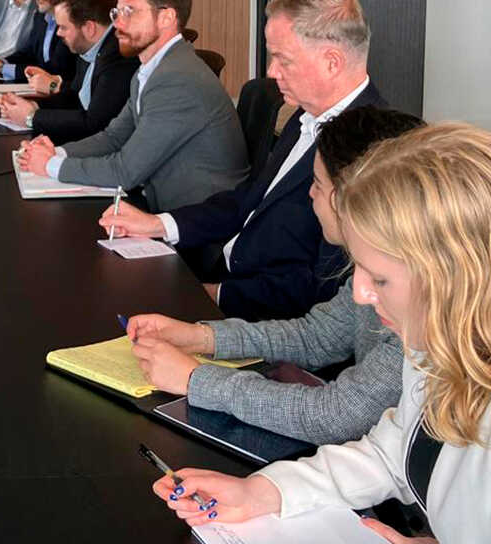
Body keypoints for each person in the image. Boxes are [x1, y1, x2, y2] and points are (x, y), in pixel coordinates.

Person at [151, 123, 491, 544]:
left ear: (458, 278)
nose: (360, 294)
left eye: (380, 279)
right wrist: (263, 492)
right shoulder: (433, 345)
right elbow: (390, 454)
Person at [126, 107, 422, 445]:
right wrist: (202, 338)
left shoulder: (416, 310)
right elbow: (318, 336)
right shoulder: (384, 264)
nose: (310, 194)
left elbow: (338, 416)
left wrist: (196, 379)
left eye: (316, 184)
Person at [100, 0, 386, 320]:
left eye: (283, 59)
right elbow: (249, 200)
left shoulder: (372, 148)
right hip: (224, 273)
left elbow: (323, 288)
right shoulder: (307, 114)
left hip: (262, 314)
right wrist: (158, 224)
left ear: (332, 63)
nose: (271, 72)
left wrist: (214, 295)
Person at [17, 0, 248, 211]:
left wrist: (50, 165)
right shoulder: (149, 69)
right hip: (159, 202)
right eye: (117, 13)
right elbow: (113, 137)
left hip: (194, 217)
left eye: (129, 12)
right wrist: (57, 152)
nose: (117, 23)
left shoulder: (177, 79)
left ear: (166, 18)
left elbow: (125, 171)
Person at [0, 0, 139, 143]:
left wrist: (31, 117)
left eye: (63, 27)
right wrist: (33, 106)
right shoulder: (89, 47)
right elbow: (74, 96)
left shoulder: (119, 56)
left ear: (89, 28)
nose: (58, 33)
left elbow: (94, 124)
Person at [0, 0, 79, 83]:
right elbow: (28, 54)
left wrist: (2, 69)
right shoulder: (41, 16)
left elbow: (55, 71)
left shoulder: (75, 21)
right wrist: (0, 62)